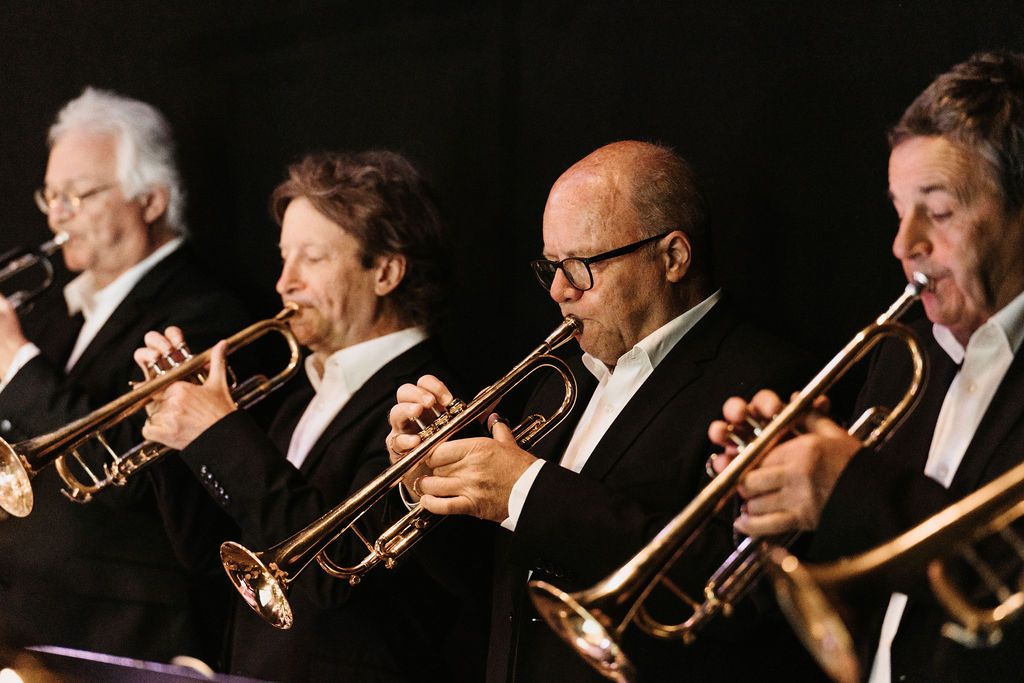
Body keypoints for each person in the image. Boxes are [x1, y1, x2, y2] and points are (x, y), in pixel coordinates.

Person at [387, 140, 820, 682]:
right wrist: (433, 484)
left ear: (672, 257)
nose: (559, 291)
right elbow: (493, 585)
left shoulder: (771, 380)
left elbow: (736, 589)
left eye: (580, 266)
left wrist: (525, 490)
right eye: (551, 267)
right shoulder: (559, 382)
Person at [709, 50, 1024, 682]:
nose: (903, 244)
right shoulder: (906, 357)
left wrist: (847, 489)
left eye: (938, 211)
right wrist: (784, 498)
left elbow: (1003, 586)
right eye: (898, 209)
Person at [137, 149, 488, 682]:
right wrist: (178, 432)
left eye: (312, 258)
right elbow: (210, 555)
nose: (284, 282)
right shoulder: (302, 394)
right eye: (284, 257)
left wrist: (220, 434)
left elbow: (335, 567)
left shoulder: (431, 405)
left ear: (385, 272)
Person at [0, 87, 251, 664]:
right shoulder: (56, 314)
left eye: (78, 194)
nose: (56, 215)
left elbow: (125, 468)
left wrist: (14, 361)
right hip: (29, 612)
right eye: (50, 195)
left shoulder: (203, 314)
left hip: (120, 629)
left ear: (151, 200)